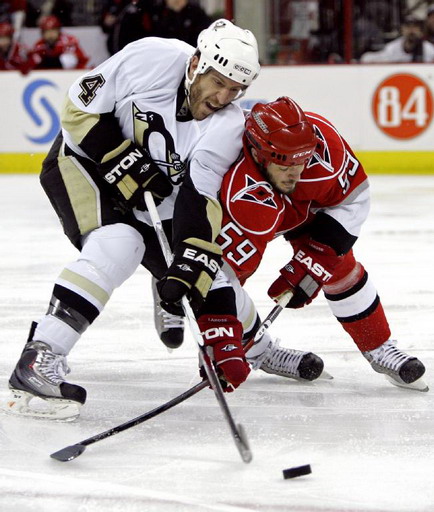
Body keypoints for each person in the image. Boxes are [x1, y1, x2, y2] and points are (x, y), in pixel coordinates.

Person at [6, 18, 261, 421]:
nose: (223, 96)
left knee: (210, 272)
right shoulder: (152, 57)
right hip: (82, 164)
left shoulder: (228, 123)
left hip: (152, 196)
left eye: (236, 89)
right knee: (121, 243)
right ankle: (39, 359)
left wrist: (192, 253)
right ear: (196, 63)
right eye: (218, 82)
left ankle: (262, 345)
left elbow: (200, 196)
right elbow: (77, 109)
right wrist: (118, 156)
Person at [155, 97, 427, 392]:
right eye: (285, 164)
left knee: (340, 264)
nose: (295, 172)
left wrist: (318, 255)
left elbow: (354, 199)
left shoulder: (326, 150)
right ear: (259, 154)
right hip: (236, 212)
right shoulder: (235, 181)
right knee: (224, 277)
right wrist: (219, 335)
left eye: (302, 161)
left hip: (303, 206)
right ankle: (257, 349)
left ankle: (380, 347)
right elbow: (216, 270)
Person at [361, 16, 434, 63]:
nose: (411, 31)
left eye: (415, 27)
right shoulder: (392, 48)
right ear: (402, 30)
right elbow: (366, 58)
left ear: (421, 31)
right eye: (408, 27)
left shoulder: (429, 49)